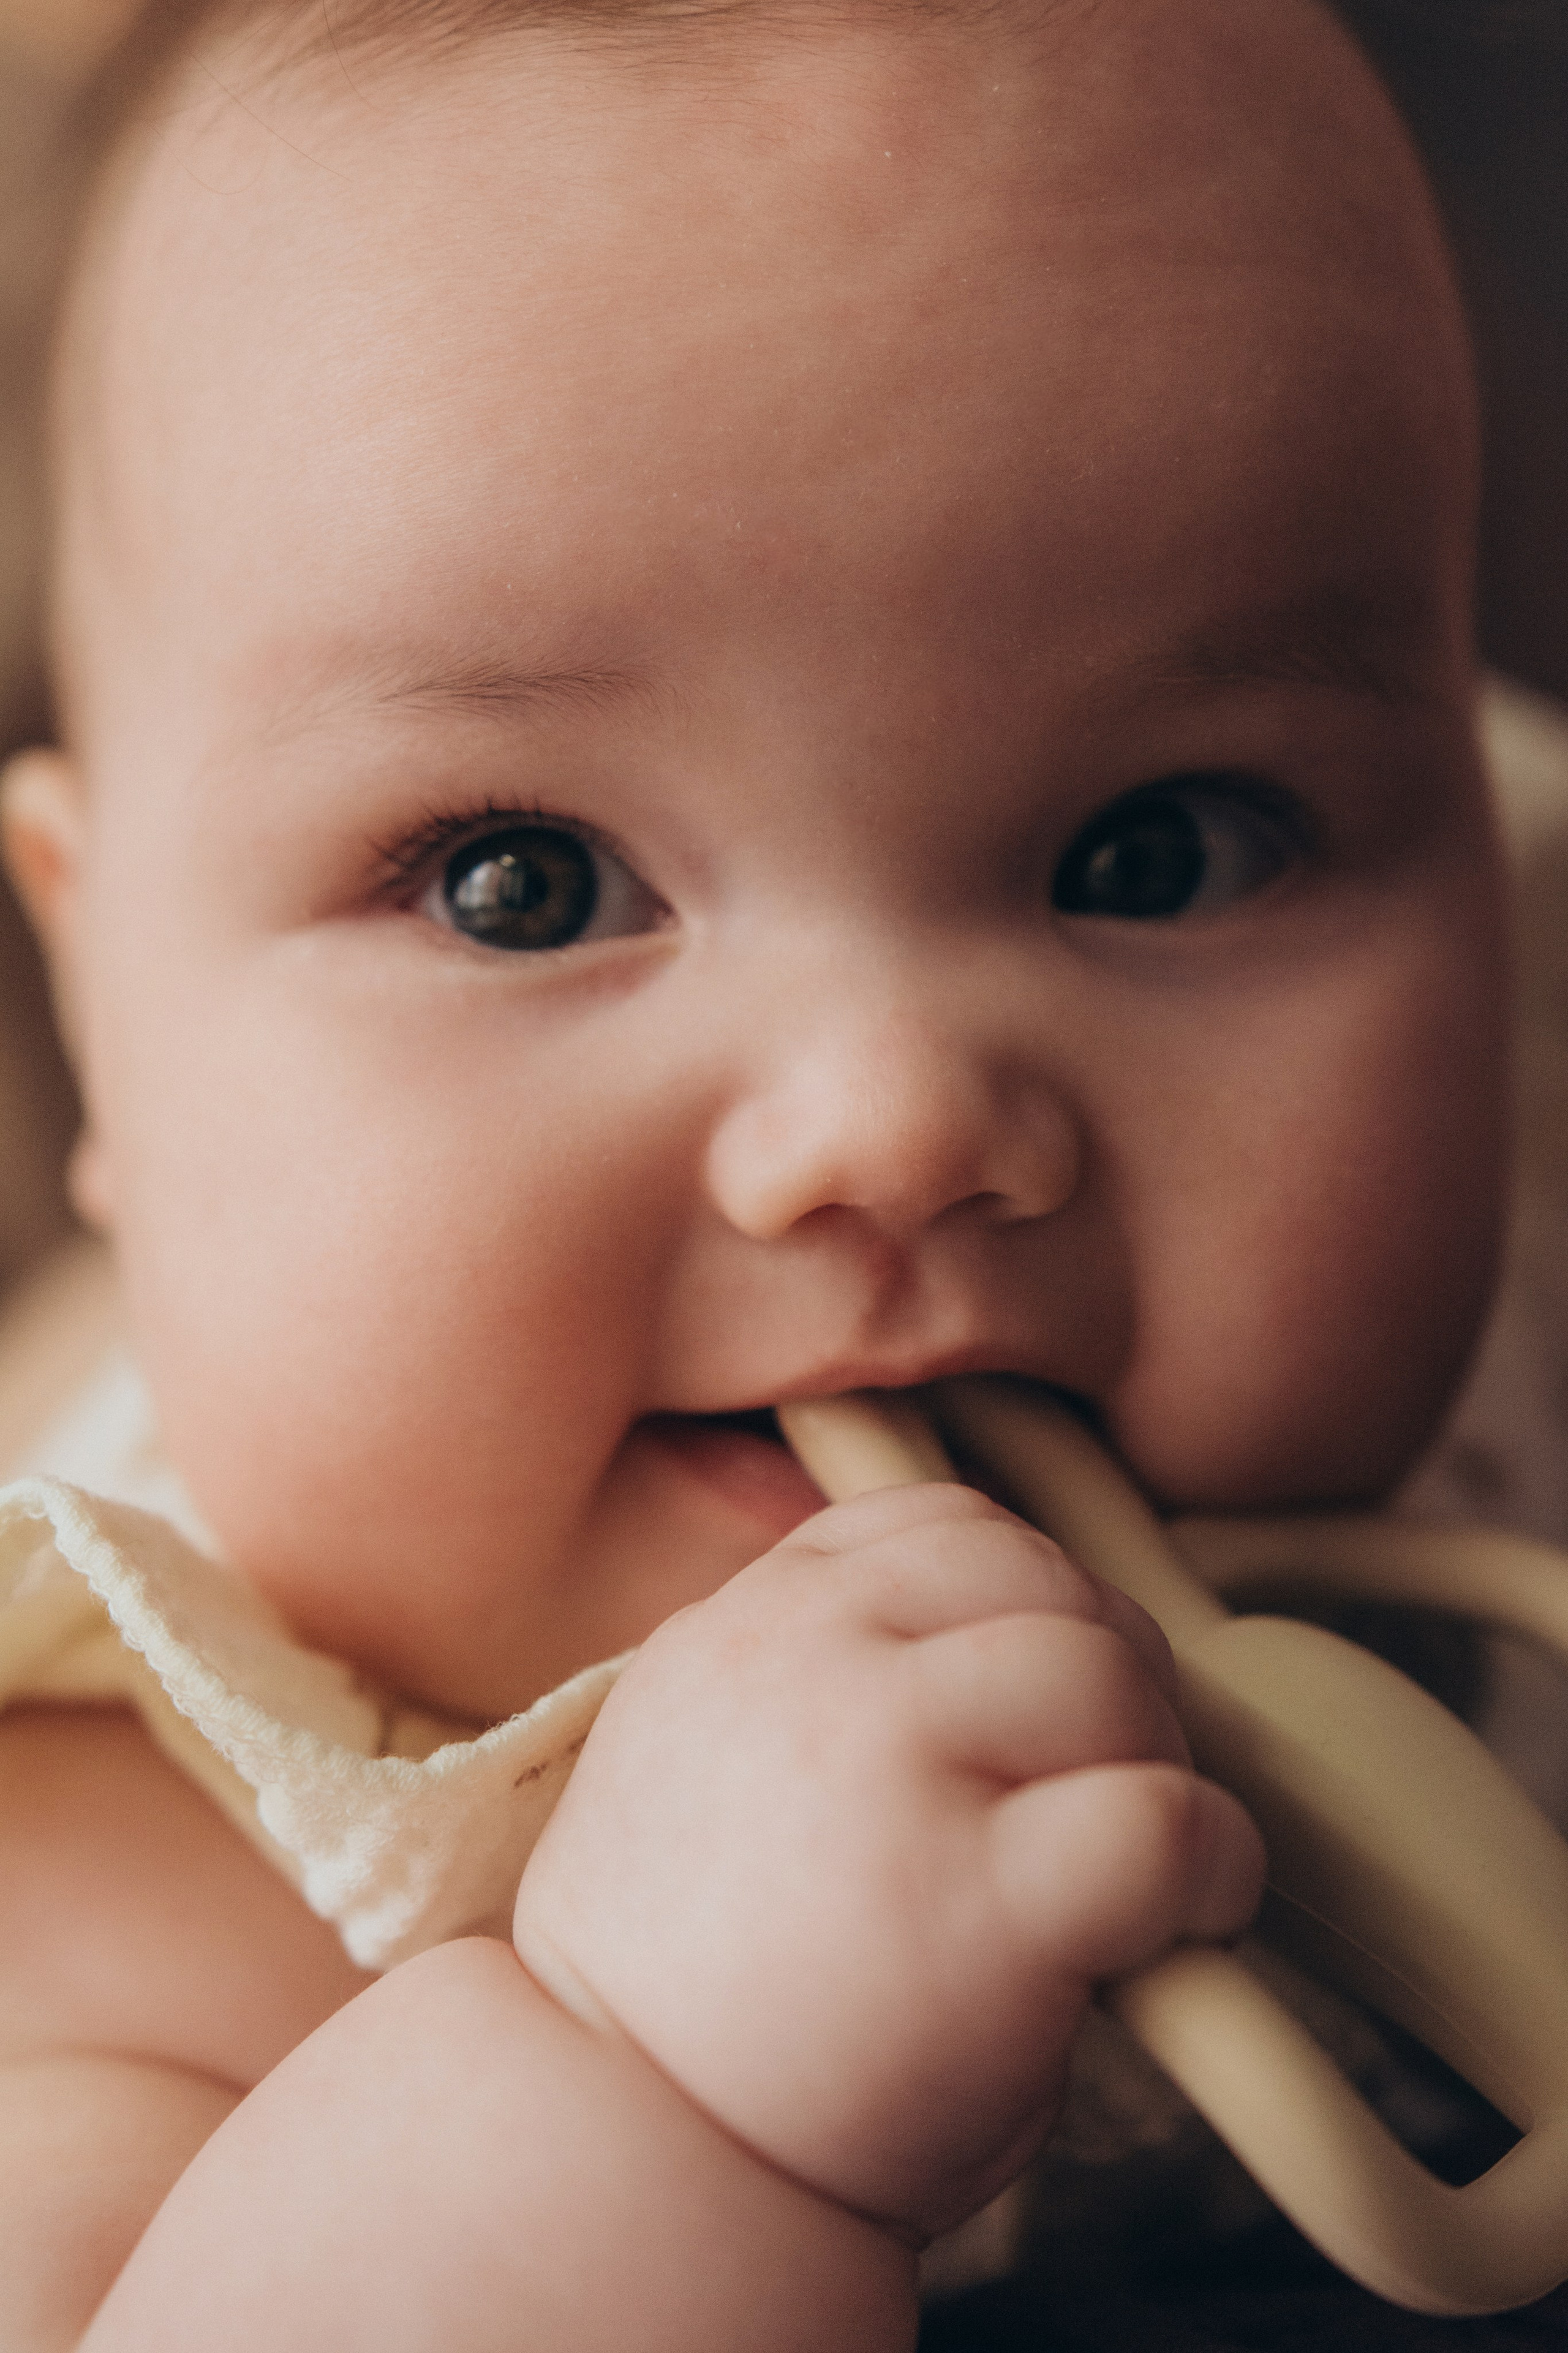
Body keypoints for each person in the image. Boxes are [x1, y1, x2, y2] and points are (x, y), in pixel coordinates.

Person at [0, 0, 1515, 2343]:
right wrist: (647, 2084)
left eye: (1164, 848)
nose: (895, 1121)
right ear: (109, 1012)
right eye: (522, 881)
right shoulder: (116, 1860)